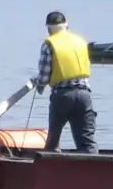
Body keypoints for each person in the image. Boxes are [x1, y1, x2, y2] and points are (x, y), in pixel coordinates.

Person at [35, 9, 95, 152]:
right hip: (84, 95)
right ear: (66, 26)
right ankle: (94, 169)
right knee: (87, 141)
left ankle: (51, 169)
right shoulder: (80, 41)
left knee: (53, 140)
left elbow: (44, 77)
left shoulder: (49, 44)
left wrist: (39, 85)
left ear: (49, 28)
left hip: (62, 95)